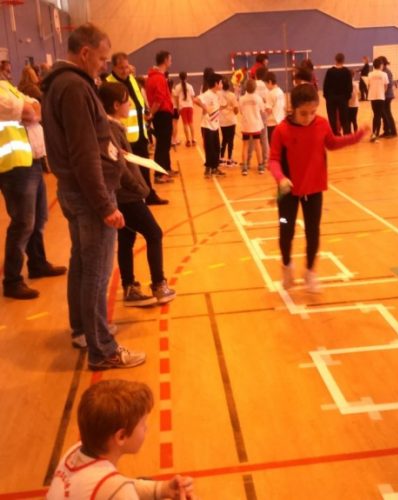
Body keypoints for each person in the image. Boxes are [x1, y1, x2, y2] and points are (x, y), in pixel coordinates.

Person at [41, 23, 146, 368]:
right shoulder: (74, 87)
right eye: (101, 59)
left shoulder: (63, 83)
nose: (104, 66)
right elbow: (84, 153)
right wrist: (104, 205)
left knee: (83, 265)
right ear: (85, 53)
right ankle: (103, 349)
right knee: (97, 274)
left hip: (75, 191)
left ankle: (84, 331)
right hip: (89, 195)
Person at [269, 84, 367, 292]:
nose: (308, 117)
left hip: (314, 189)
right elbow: (274, 160)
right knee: (285, 230)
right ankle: (287, 266)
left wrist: (355, 137)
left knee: (313, 232)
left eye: (313, 112)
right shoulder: (281, 130)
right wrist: (281, 178)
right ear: (293, 109)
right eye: (303, 113)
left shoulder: (321, 124)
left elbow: (332, 143)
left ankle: (310, 272)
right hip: (287, 192)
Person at [47, 379, 195, 499]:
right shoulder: (119, 492)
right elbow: (118, 490)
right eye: (143, 423)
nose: (146, 428)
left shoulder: (74, 451)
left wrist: (163, 489)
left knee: (146, 481)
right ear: (121, 436)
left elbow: (119, 486)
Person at [99, 82, 177, 307]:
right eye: (127, 102)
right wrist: (141, 189)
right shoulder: (110, 129)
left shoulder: (113, 128)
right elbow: (120, 168)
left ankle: (130, 288)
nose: (130, 106)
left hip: (124, 194)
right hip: (126, 195)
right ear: (116, 105)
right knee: (154, 233)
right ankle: (159, 285)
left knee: (126, 238)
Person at [0, 78, 66, 300]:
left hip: (31, 161)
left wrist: (32, 110)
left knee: (39, 218)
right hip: (13, 166)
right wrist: (30, 111)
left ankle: (37, 263)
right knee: (23, 224)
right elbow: (30, 111)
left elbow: (36, 105)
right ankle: (12, 280)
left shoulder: (5, 87)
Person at [107, 52, 167, 205]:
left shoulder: (132, 79)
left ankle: (149, 195)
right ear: (114, 67)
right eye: (121, 68)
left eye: (126, 67)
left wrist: (145, 110)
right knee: (128, 172)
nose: (125, 70)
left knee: (144, 168)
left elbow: (138, 99)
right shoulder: (109, 84)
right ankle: (135, 200)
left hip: (140, 133)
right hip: (123, 137)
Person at [146, 50, 178, 184]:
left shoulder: (156, 76)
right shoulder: (158, 78)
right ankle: (159, 174)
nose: (171, 61)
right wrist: (152, 113)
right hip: (162, 114)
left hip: (163, 114)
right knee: (162, 146)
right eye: (170, 59)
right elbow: (158, 100)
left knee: (164, 144)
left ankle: (166, 169)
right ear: (165, 60)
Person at [194, 72, 225, 179]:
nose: (222, 84)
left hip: (215, 126)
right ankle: (208, 169)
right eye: (221, 83)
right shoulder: (207, 94)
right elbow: (196, 99)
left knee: (216, 148)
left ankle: (215, 168)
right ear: (216, 84)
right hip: (207, 126)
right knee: (209, 148)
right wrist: (204, 108)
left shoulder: (217, 94)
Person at [238, 78, 265, 176]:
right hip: (256, 125)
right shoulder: (258, 98)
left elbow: (240, 111)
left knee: (245, 145)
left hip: (246, 125)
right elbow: (262, 110)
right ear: (255, 88)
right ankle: (260, 166)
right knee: (257, 145)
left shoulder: (242, 99)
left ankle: (245, 167)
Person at [322, 52, 352, 136]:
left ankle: (334, 134)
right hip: (343, 98)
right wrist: (347, 97)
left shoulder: (330, 71)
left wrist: (326, 96)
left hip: (331, 98)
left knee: (332, 117)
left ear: (335, 60)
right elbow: (349, 86)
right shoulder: (346, 71)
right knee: (345, 117)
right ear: (343, 60)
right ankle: (347, 134)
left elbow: (326, 85)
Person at [367, 57, 389, 142]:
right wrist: (382, 92)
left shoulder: (370, 74)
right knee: (378, 116)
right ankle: (376, 135)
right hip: (380, 97)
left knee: (375, 115)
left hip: (372, 97)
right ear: (380, 65)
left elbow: (368, 85)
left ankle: (373, 133)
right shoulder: (384, 74)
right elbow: (386, 86)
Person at [172, 71, 196, 146]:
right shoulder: (190, 86)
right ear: (186, 77)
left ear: (179, 78)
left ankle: (188, 140)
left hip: (182, 107)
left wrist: (177, 108)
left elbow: (176, 99)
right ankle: (193, 139)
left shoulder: (177, 87)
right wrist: (192, 106)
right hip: (190, 106)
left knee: (185, 124)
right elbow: (193, 98)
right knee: (191, 123)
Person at [218, 77, 238, 166]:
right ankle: (229, 159)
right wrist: (234, 110)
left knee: (224, 139)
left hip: (222, 121)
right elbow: (236, 110)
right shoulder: (232, 95)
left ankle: (221, 158)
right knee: (230, 140)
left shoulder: (218, 94)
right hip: (231, 121)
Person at [264, 71, 285, 143]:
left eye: (266, 84)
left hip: (272, 124)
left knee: (273, 145)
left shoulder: (270, 94)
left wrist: (263, 107)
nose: (266, 86)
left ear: (270, 82)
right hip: (281, 121)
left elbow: (269, 110)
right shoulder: (280, 91)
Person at [379, 56, 397, 138]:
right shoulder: (383, 71)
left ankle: (393, 132)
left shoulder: (387, 72)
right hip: (384, 95)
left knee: (387, 114)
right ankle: (386, 131)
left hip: (387, 95)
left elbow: (388, 85)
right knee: (384, 114)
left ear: (383, 63)